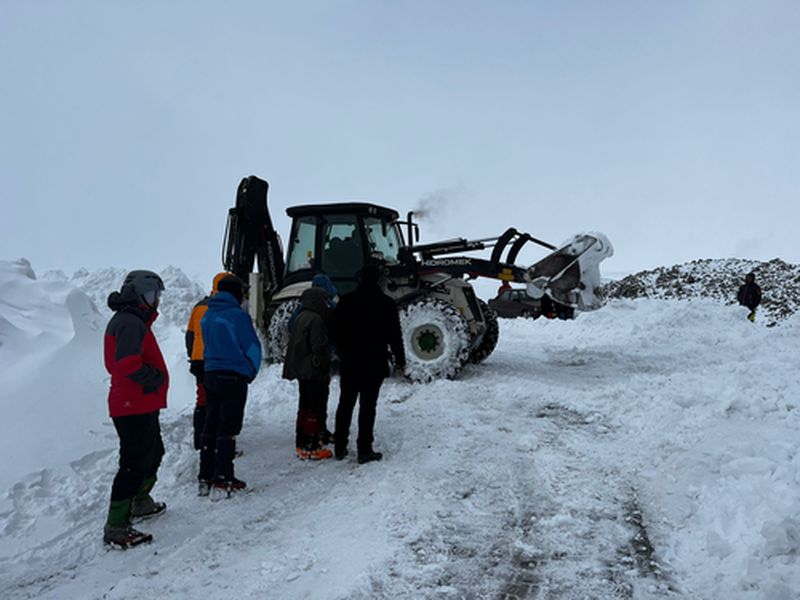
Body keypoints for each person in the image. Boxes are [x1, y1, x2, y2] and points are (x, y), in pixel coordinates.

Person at [102, 270, 168, 549]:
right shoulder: (129, 322)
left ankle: (140, 501)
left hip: (141, 402)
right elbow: (127, 363)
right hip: (131, 403)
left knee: (153, 453)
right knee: (133, 463)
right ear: (139, 295)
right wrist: (154, 377)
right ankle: (116, 525)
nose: (156, 302)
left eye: (157, 296)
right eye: (153, 295)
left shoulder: (134, 320)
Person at [329, 264, 406, 464]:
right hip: (374, 362)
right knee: (367, 406)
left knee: (345, 404)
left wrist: (342, 350)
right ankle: (364, 449)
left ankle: (339, 446)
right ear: (379, 281)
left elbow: (334, 330)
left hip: (350, 362)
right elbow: (395, 336)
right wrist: (400, 361)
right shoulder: (387, 303)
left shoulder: (346, 301)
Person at [199, 275, 262, 496]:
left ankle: (205, 475)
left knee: (211, 423)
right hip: (233, 376)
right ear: (237, 293)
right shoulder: (237, 316)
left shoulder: (208, 315)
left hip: (210, 374)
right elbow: (252, 347)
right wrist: (251, 371)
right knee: (228, 428)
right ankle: (224, 476)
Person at [283, 285, 334, 460]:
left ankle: (302, 443)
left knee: (304, 407)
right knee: (314, 407)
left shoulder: (300, 317)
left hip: (301, 370)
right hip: (313, 370)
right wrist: (325, 365)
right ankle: (312, 447)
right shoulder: (316, 320)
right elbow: (319, 347)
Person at [185, 272, 232, 453]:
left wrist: (193, 355)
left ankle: (200, 439)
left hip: (198, 359)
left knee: (202, 399)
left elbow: (189, 334)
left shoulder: (199, 307)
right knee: (219, 401)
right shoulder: (225, 307)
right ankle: (216, 442)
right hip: (216, 360)